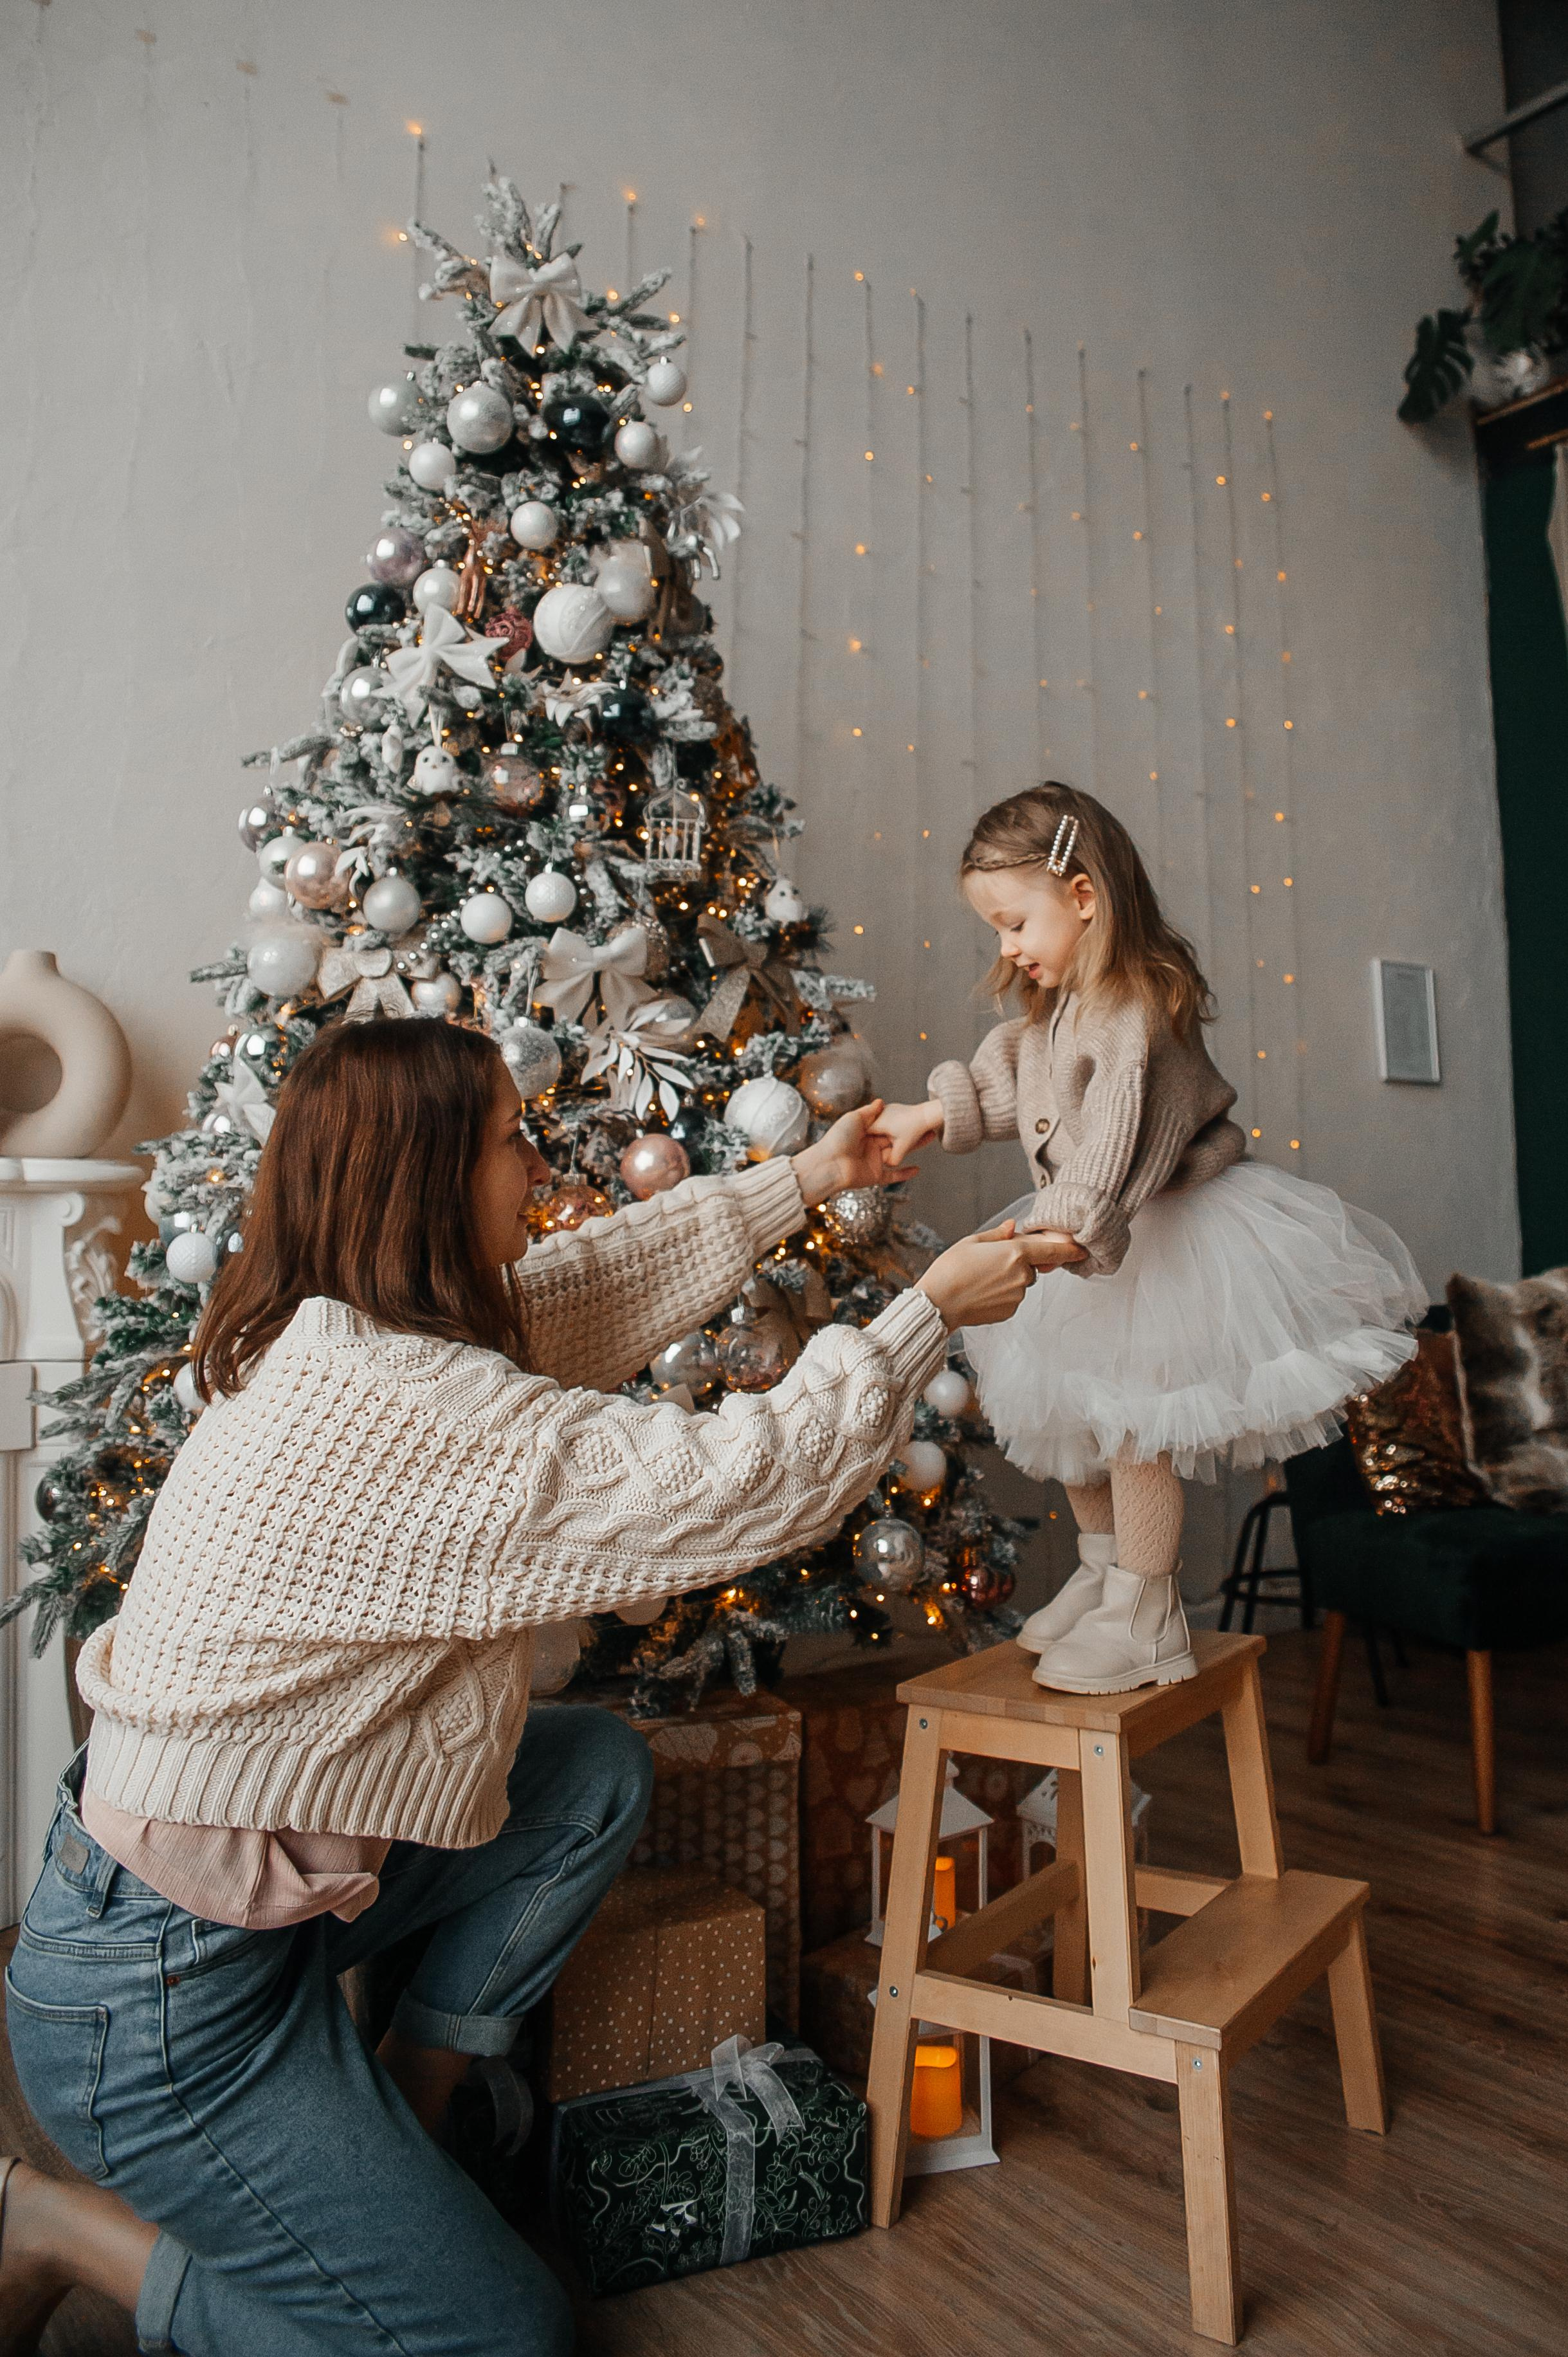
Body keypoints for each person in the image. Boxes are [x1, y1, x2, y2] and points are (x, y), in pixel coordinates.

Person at [0, 1017, 1077, 2356]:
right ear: (429, 1179)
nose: (542, 1162)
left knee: (585, 1771)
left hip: (243, 1915)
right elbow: (741, 1483)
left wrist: (807, 1177)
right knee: (504, 2339)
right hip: (158, 2002)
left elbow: (592, 1285)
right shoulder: (397, 1408)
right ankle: (55, 2229)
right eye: (514, 1139)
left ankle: (411, 2096)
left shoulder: (352, 1333)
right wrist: (926, 1317)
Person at [871, 782, 1425, 1697]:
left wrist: (1062, 1230)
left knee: (1132, 1425)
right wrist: (927, 1115)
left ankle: (1148, 1606)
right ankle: (1102, 1569)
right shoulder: (1057, 1009)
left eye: (1015, 923)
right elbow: (1016, 1080)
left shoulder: (1135, 1009)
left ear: (1084, 895)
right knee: (1064, 1406)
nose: (1006, 948)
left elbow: (1119, 1143)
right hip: (1084, 1223)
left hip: (1153, 1226)